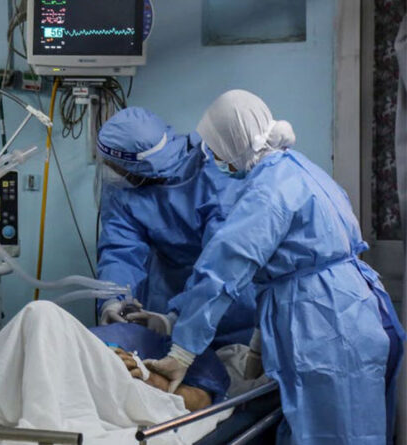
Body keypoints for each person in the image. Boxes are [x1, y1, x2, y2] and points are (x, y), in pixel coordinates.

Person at [144, 90, 406, 445]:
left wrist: (181, 351)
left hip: (326, 326)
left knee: (330, 435)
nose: (214, 158)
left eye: (216, 149)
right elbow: (281, 273)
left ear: (235, 141)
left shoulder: (268, 191)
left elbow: (222, 271)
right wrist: (258, 343)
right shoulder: (298, 168)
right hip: (359, 310)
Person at [0, 302, 231, 445]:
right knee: (40, 317)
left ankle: (44, 428)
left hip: (108, 397)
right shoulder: (94, 333)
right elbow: (22, 362)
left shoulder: (189, 353)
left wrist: (147, 377)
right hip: (49, 373)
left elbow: (198, 401)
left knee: (42, 314)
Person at [96, 107, 256, 347]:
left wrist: (177, 318)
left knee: (228, 360)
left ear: (143, 168)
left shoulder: (213, 176)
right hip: (166, 289)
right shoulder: (126, 189)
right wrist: (112, 300)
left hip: (227, 294)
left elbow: (225, 264)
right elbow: (119, 250)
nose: (115, 174)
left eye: (117, 167)